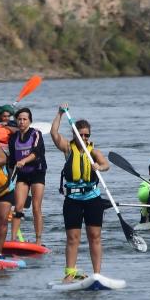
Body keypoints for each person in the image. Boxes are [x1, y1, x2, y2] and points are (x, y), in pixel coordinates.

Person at [50, 108, 110, 283]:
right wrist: (60, 114)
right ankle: (70, 273)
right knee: (72, 238)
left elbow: (106, 165)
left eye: (86, 135)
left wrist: (100, 167)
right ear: (75, 135)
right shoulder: (68, 148)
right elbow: (54, 133)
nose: (84, 138)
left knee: (95, 236)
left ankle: (97, 274)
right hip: (73, 200)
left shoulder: (93, 152)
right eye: (81, 135)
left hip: (92, 198)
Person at [8, 107, 47, 245]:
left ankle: (38, 240)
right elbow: (12, 161)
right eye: (19, 119)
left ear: (30, 121)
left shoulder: (36, 134)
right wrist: (7, 179)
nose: (22, 122)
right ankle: (12, 239)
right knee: (18, 207)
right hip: (22, 175)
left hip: (37, 172)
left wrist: (24, 161)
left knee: (36, 207)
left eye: (25, 119)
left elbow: (36, 152)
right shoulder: (13, 138)